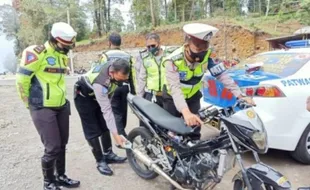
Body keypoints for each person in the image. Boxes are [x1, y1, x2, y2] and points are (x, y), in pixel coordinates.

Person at [161, 23, 255, 139]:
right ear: (187, 45)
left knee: (195, 131)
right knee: (172, 133)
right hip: (172, 98)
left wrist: (240, 96)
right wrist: (185, 112)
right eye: (198, 48)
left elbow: (222, 75)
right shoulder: (172, 61)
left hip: (193, 97)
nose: (202, 52)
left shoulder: (207, 56)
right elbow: (175, 88)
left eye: (205, 48)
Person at [15, 22, 80, 190]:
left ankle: (61, 176)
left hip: (61, 106)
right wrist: (29, 104)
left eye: (69, 45)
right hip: (42, 107)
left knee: (62, 144)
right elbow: (22, 80)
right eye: (65, 45)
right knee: (52, 147)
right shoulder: (36, 53)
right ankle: (48, 182)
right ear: (54, 39)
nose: (67, 48)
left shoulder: (61, 55)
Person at [74, 58, 129, 176]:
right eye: (119, 79)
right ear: (112, 73)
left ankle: (108, 154)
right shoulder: (101, 82)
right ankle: (100, 160)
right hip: (84, 97)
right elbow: (107, 111)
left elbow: (110, 96)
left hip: (99, 95)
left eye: (124, 79)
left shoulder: (117, 69)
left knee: (104, 125)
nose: (122, 82)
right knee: (92, 129)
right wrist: (117, 135)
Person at [100, 32, 136, 138]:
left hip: (112, 87)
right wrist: (133, 90)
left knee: (115, 111)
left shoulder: (105, 55)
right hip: (125, 86)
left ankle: (120, 134)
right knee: (122, 110)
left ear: (109, 43)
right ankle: (121, 130)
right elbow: (131, 74)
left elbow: (102, 72)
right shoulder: (127, 55)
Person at [137, 33, 177, 106]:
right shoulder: (145, 59)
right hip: (152, 96)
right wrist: (139, 98)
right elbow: (142, 79)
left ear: (159, 43)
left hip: (168, 96)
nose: (151, 48)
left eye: (153, 45)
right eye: (148, 47)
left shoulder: (170, 57)